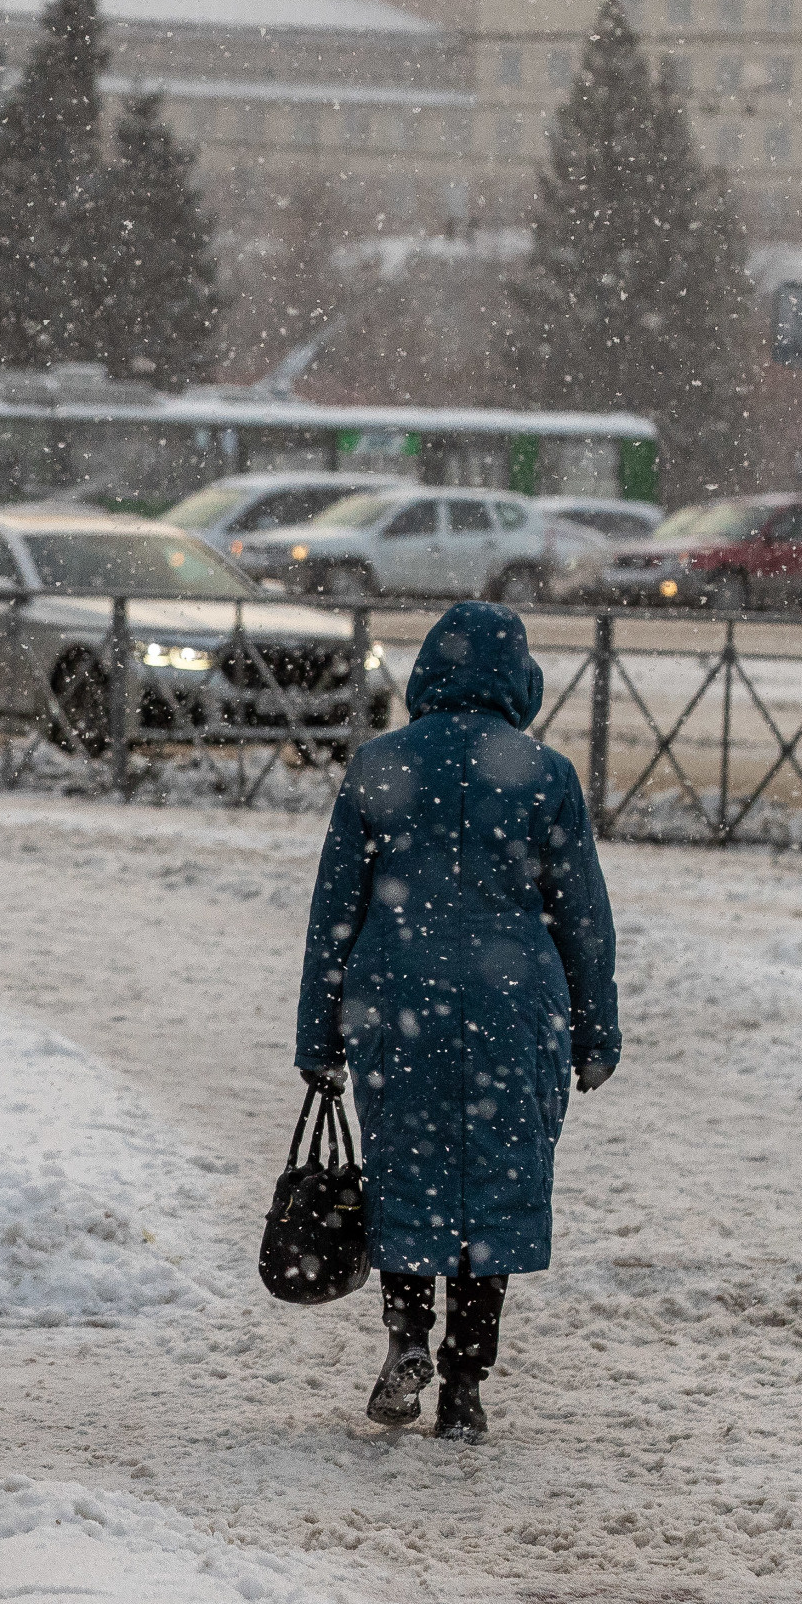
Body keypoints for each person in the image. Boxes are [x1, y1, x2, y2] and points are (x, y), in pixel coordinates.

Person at [294, 601, 619, 1445]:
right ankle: (467, 1383)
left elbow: (335, 910)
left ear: (429, 672)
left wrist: (317, 1036)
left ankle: (406, 1340)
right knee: (495, 1192)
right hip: (515, 1008)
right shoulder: (543, 775)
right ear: (519, 678)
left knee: (408, 1175)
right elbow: (583, 915)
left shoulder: (380, 764)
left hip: (398, 999)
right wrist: (597, 1030)